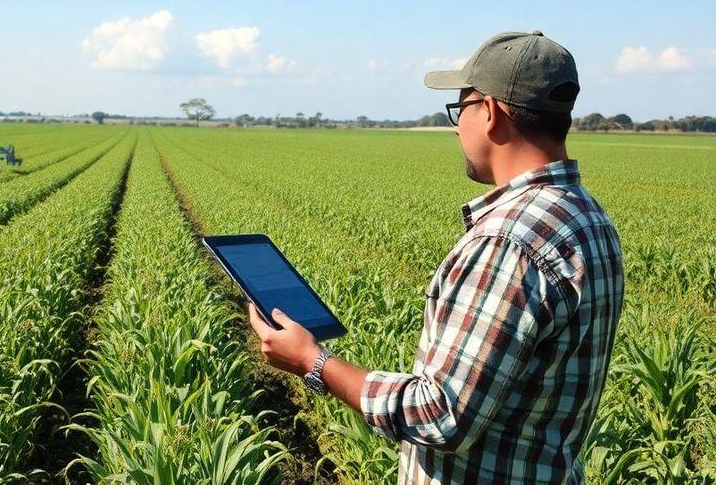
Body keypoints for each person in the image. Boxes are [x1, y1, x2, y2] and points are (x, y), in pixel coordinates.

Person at [249, 31, 624, 483]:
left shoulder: (508, 241)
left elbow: (439, 413)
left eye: (459, 109)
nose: (455, 126)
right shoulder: (588, 217)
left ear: (489, 113)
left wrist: (315, 363)